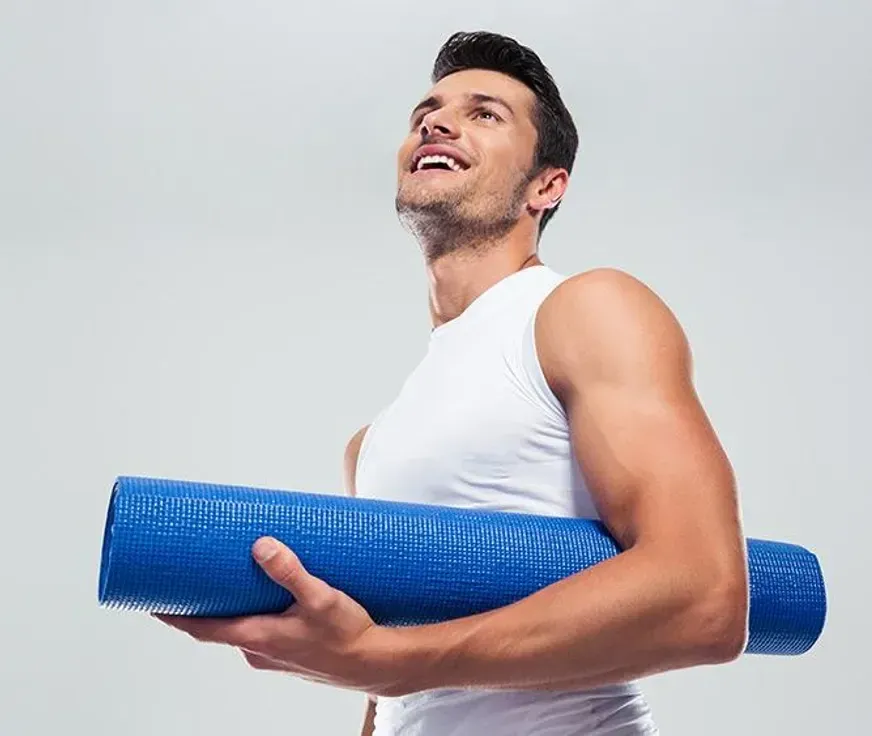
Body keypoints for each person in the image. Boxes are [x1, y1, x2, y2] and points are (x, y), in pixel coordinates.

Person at [157, 30, 749, 736]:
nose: (436, 122)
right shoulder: (372, 444)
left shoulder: (584, 310)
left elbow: (705, 596)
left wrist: (393, 659)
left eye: (484, 114)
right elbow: (390, 692)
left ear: (546, 185)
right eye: (426, 114)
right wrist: (378, 669)